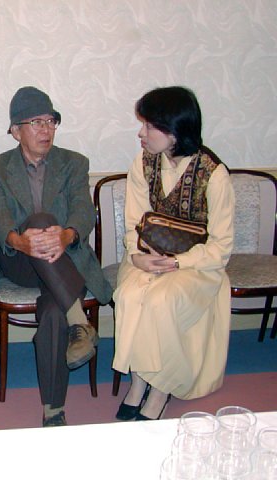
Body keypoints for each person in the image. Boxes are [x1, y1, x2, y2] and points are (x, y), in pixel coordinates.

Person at [0, 86, 113, 427]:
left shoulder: (74, 163)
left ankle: (53, 409)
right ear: (16, 131)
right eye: (36, 122)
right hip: (18, 260)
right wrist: (20, 241)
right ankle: (80, 321)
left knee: (54, 311)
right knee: (40, 221)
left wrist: (67, 235)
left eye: (51, 121)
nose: (46, 129)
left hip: (64, 259)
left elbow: (84, 211)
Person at [113, 86, 234, 421]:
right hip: (145, 256)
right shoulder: (143, 163)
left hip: (197, 266)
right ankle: (138, 382)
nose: (141, 133)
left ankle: (160, 389)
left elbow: (221, 247)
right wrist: (136, 256)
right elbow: (134, 222)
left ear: (175, 131)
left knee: (160, 301)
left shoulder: (214, 174)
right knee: (128, 295)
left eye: (149, 126)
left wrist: (179, 261)